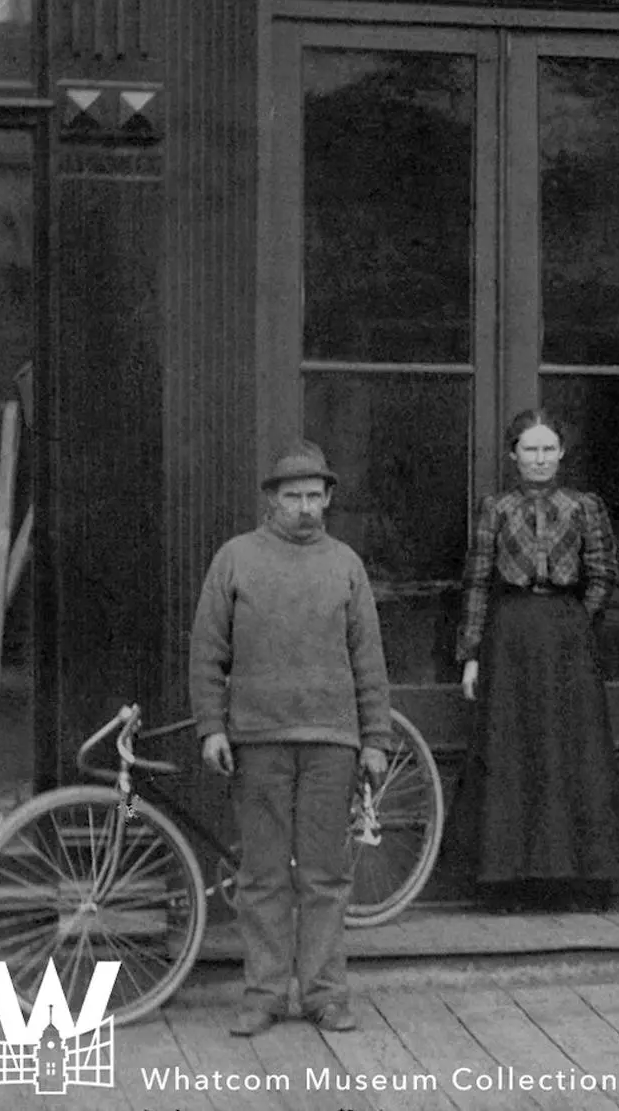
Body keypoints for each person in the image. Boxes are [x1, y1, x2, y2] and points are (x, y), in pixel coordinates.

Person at [189, 441, 391, 1037]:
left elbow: (369, 660)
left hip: (332, 740)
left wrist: (374, 739)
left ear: (328, 498)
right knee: (263, 875)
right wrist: (211, 728)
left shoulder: (345, 564)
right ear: (271, 500)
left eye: (313, 496)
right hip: (258, 739)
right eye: (292, 496)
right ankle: (265, 994)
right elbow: (207, 652)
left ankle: (326, 995)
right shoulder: (235, 559)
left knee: (325, 875)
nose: (304, 507)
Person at [448, 408, 619, 908]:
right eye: (529, 449)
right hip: (508, 638)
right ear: (513, 455)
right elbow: (478, 583)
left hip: (567, 638)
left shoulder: (584, 507)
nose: (539, 458)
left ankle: (579, 881)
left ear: (561, 453)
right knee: (511, 751)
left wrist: (576, 622)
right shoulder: (495, 509)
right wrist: (471, 654)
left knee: (572, 753)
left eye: (548, 448)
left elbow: (603, 574)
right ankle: (507, 881)